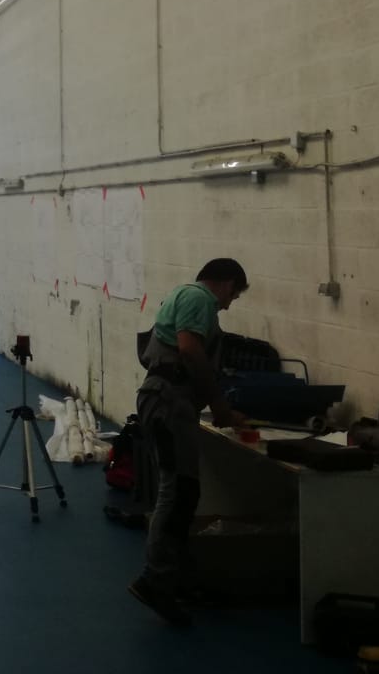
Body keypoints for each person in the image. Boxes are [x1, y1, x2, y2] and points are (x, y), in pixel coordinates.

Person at [127, 257, 249, 627]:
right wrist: (220, 405)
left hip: (169, 400)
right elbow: (190, 350)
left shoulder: (185, 296)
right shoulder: (199, 298)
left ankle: (174, 577)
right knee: (176, 491)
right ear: (226, 283)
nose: (228, 305)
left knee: (186, 491)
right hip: (169, 401)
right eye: (234, 295)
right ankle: (155, 579)